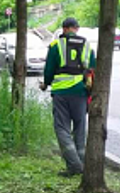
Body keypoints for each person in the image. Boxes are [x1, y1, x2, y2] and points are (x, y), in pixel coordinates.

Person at [40, 17, 96, 177]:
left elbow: (49, 69)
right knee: (79, 127)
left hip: (61, 93)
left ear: (64, 29)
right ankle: (82, 162)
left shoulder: (56, 45)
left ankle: (74, 165)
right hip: (81, 91)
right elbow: (93, 67)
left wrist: (46, 83)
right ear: (76, 29)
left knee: (62, 128)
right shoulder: (87, 45)